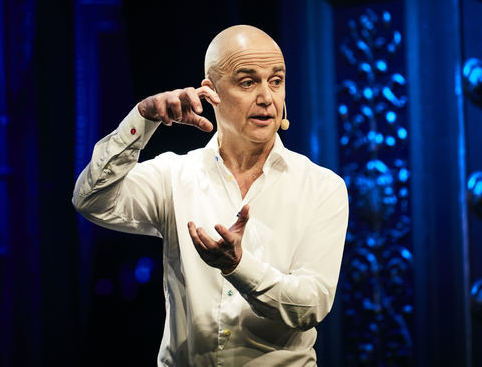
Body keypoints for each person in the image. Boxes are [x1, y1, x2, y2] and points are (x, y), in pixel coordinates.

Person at [72, 25, 349, 366]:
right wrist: (141, 120)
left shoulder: (322, 187)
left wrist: (238, 266)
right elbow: (90, 199)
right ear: (210, 91)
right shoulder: (174, 176)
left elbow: (311, 306)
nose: (267, 97)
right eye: (247, 82)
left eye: (276, 81)